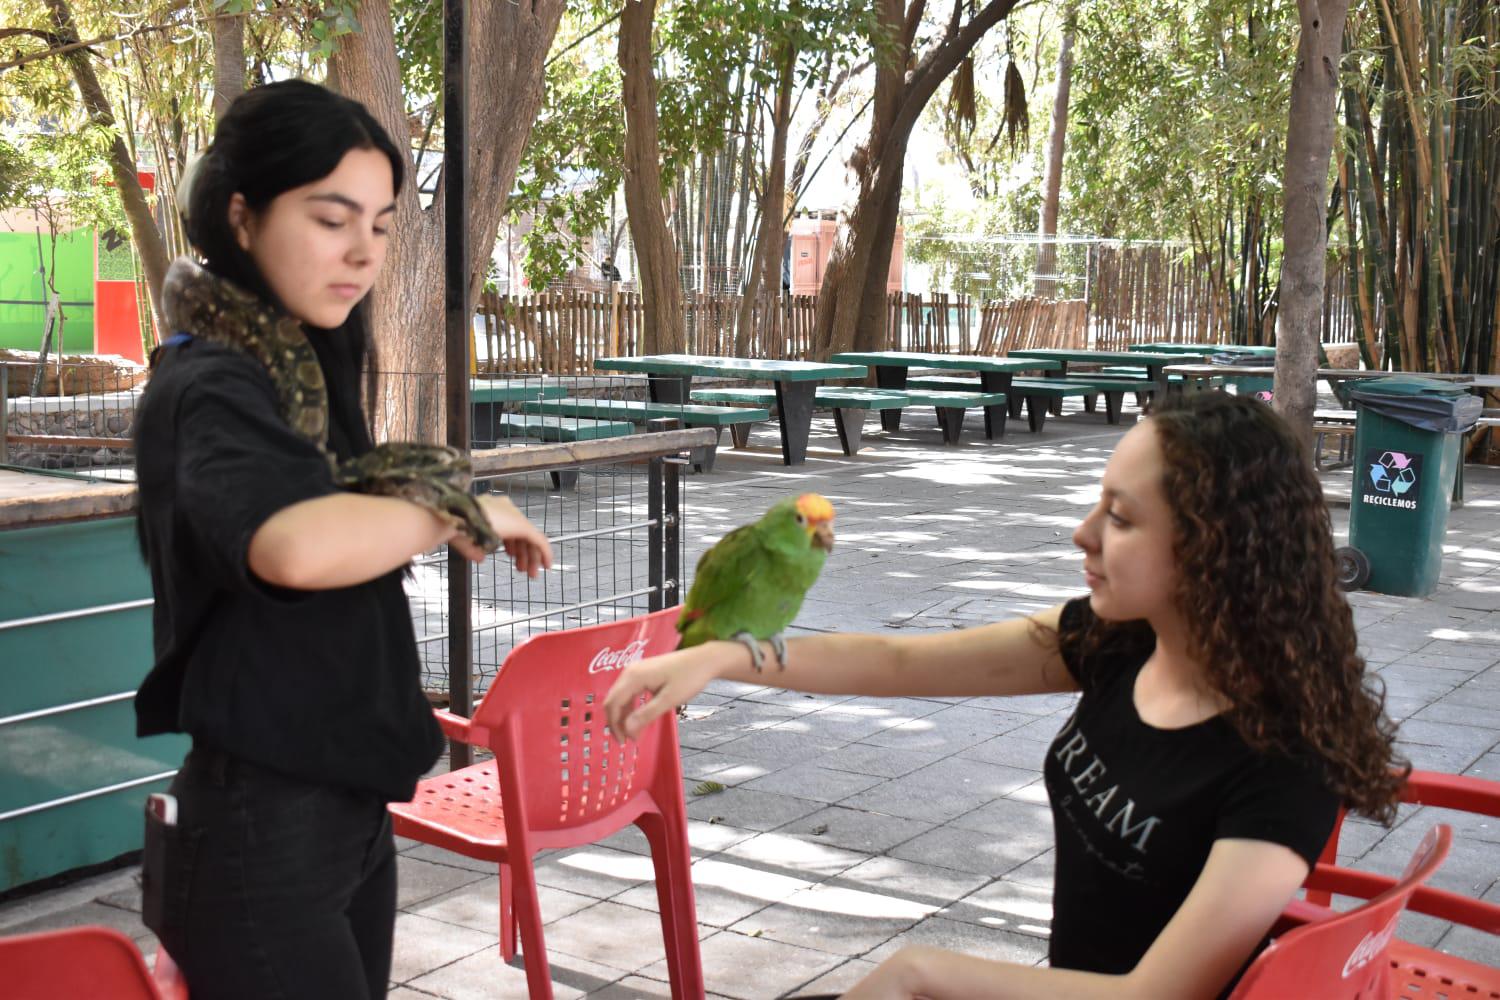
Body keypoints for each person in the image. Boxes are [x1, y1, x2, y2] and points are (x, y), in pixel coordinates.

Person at [604, 391, 1406, 1000]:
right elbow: (899, 663)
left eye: (1120, 518)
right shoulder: (1119, 642)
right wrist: (719, 660)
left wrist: (921, 972)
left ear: (1210, 549)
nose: (1083, 533)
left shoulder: (1285, 764)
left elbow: (1152, 996)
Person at [132, 79, 552, 999]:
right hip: (259, 834)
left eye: (382, 224)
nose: (363, 251)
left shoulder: (307, 358)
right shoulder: (209, 386)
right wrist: (459, 510)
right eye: (331, 219)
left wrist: (442, 495)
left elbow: (350, 505)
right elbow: (291, 546)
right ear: (241, 216)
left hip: (344, 817)